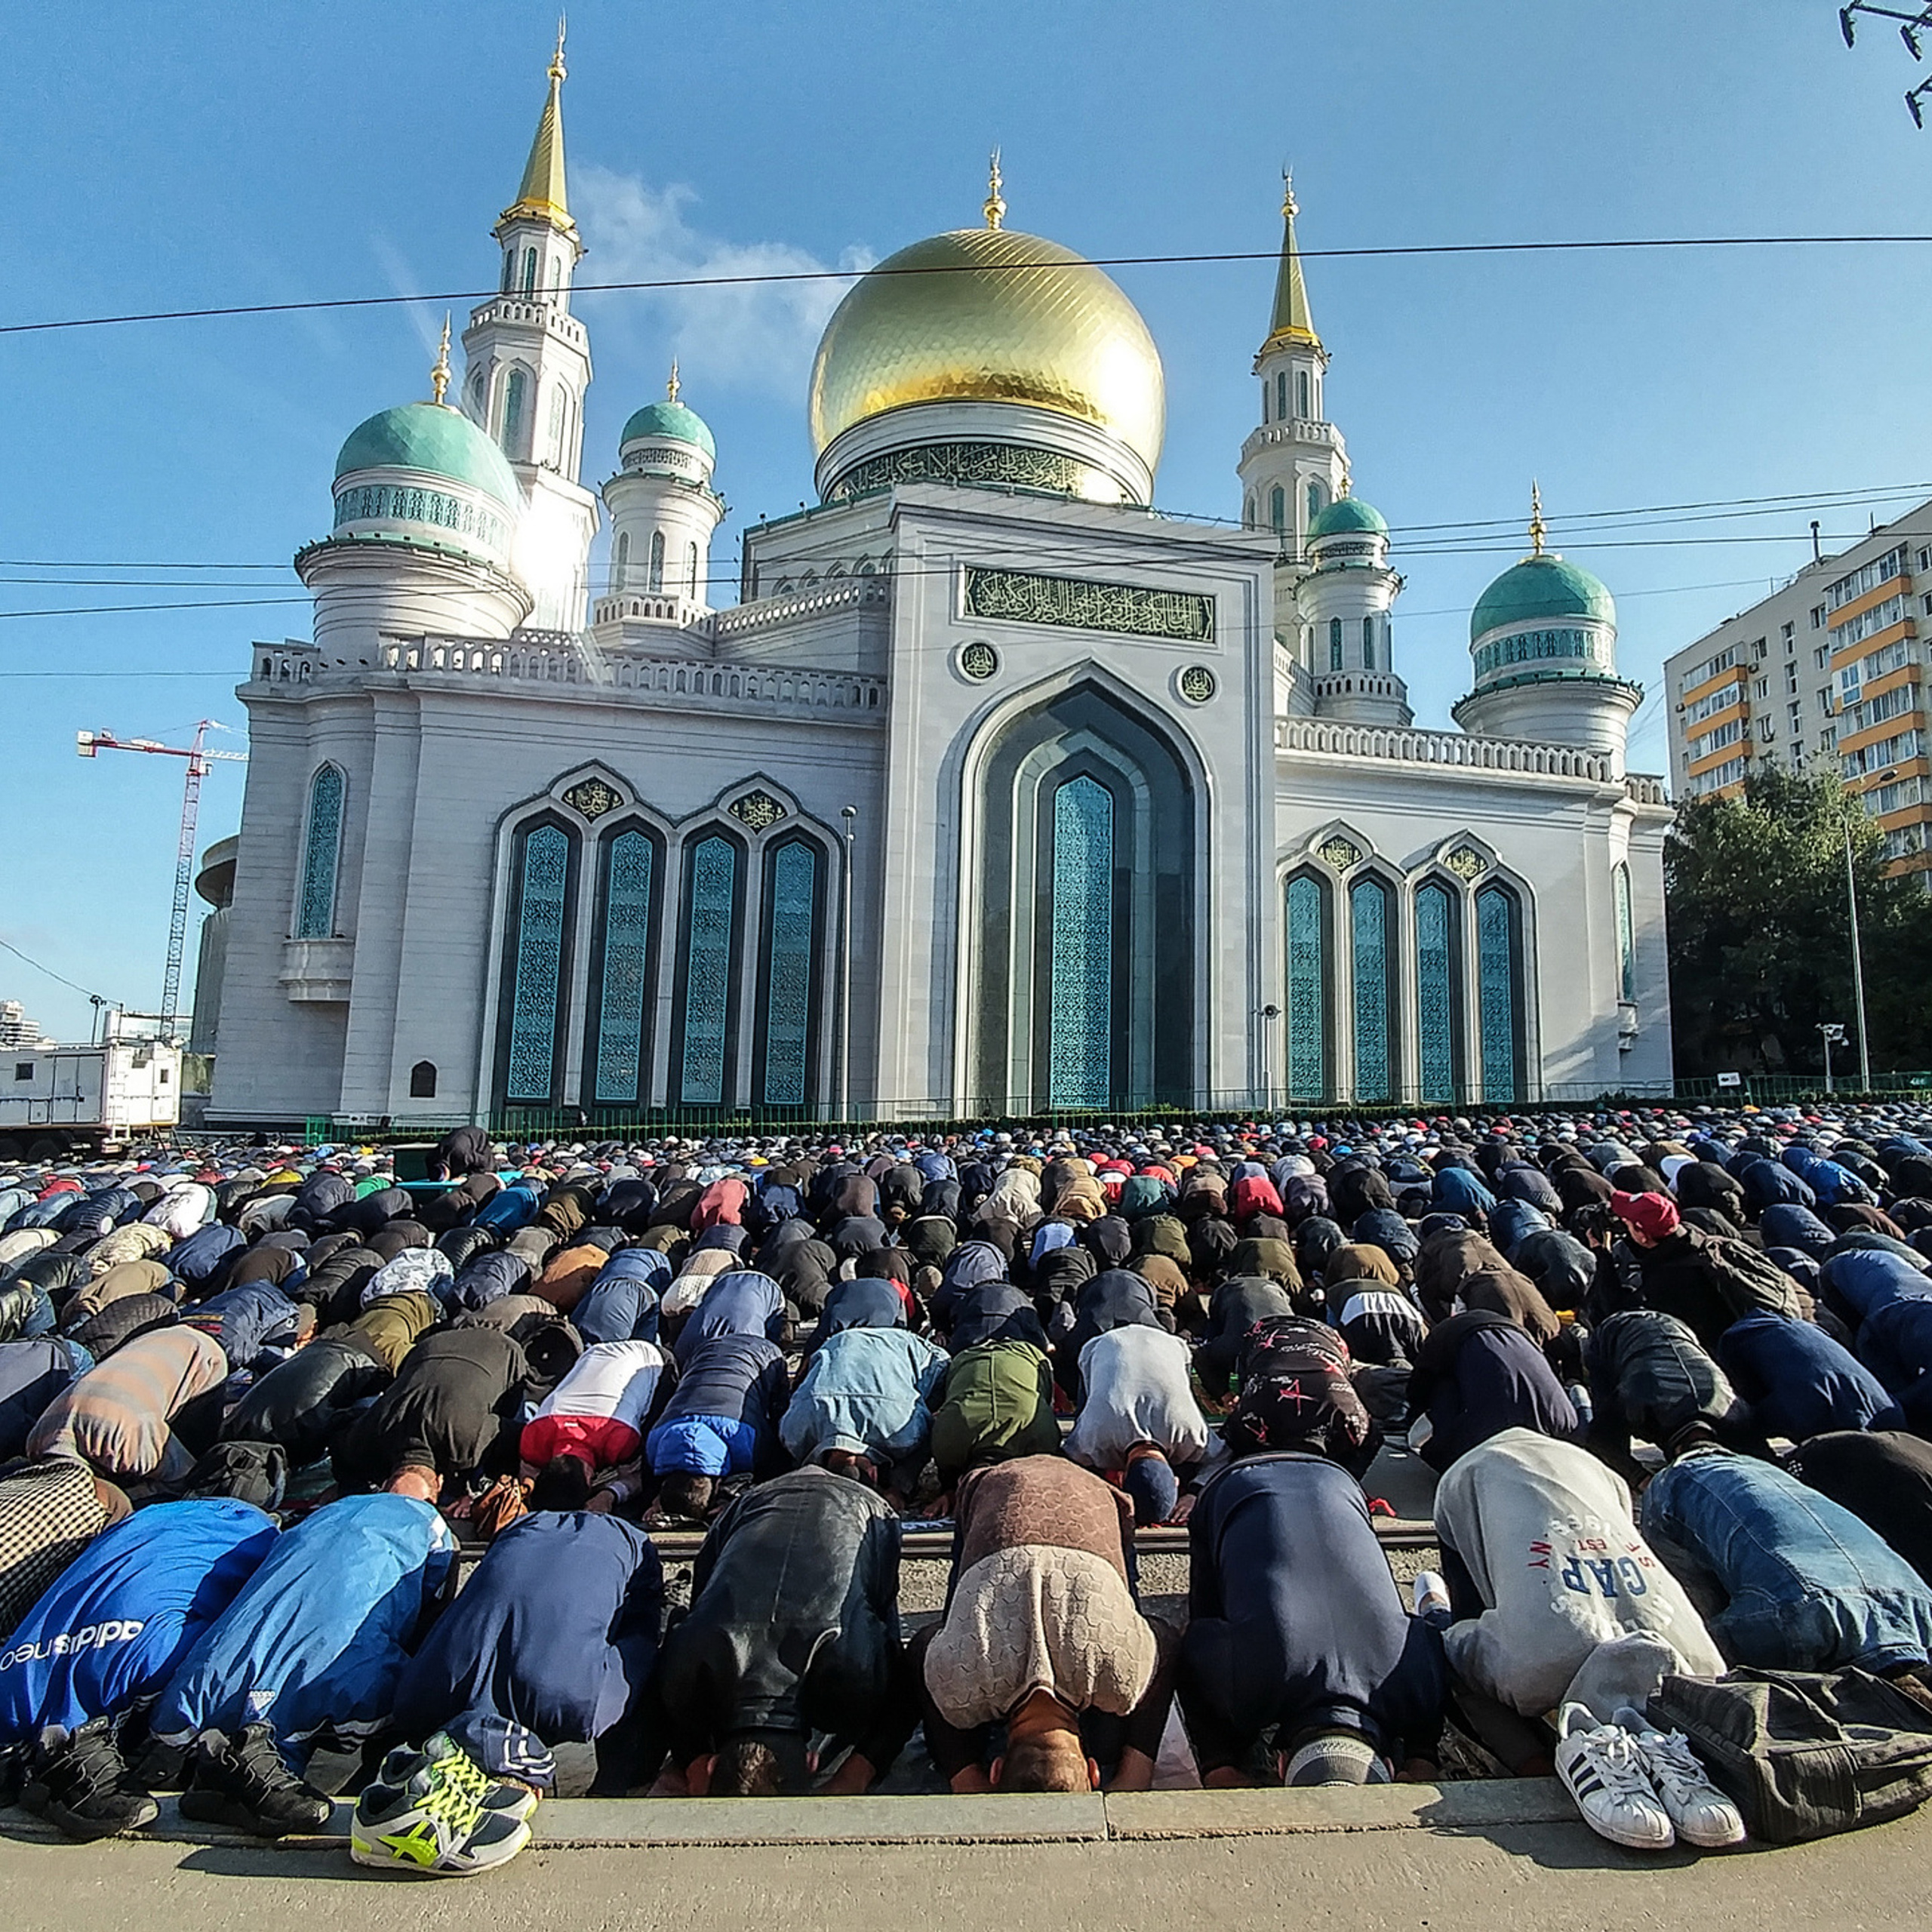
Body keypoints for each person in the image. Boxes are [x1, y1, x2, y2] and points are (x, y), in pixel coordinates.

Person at [148, 1493, 457, 1836]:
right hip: (331, 1680)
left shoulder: (324, 1513)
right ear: (436, 1484)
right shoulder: (430, 1523)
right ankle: (268, 1770)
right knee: (403, 1706)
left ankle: (225, 1769)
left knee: (265, 1693)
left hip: (214, 1674)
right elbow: (433, 1609)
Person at [375, 1509, 664, 1872]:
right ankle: (614, 1789)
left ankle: (613, 1790)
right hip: (540, 1530)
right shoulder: (415, 1702)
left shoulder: (581, 1705)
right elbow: (641, 1644)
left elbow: (636, 1655)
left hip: (597, 1538)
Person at [1, 1499, 278, 1839]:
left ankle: (55, 1758)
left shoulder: (150, 1518)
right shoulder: (260, 1536)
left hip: (25, 1667)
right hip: (133, 1660)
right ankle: (67, 1762)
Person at [1177, 1447, 1446, 1789]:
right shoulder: (1247, 1684)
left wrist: (1424, 1756)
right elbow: (1192, 1645)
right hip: (1232, 1490)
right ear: (1282, 1762)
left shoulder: (1417, 1685)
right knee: (1208, 1613)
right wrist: (1219, 1765)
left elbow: (1431, 1644)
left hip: (1336, 1483)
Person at [1430, 1429, 1724, 1728]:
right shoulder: (1703, 1670)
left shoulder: (1704, 1668)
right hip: (1570, 1462)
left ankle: (1435, 1605)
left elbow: (1457, 1649)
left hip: (1531, 1467)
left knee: (1443, 1641)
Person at [915, 1456, 1174, 1793]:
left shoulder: (1120, 1675)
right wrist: (964, 1777)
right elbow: (922, 1645)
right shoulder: (962, 1682)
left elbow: (1164, 1639)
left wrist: (1135, 1771)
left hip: (1082, 1497)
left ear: (1095, 1773)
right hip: (1006, 1493)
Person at [652, 1466, 914, 1796]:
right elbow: (906, 1692)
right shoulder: (685, 1671)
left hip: (855, 1508)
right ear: (811, 1762)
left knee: (872, 1619)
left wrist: (856, 1773)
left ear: (810, 1761)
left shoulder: (854, 1673)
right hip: (763, 1504)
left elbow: (906, 1686)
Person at [1641, 1443, 1932, 1674]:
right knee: (1694, 1643)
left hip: (1805, 1595)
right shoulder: (1924, 1607)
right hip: (1679, 1486)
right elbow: (1699, 1650)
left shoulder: (1925, 1605)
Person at [333, 1326, 528, 1500]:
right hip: (431, 1346)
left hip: (501, 1351)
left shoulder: (468, 1441)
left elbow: (521, 1437)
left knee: (502, 1431)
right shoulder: (368, 1438)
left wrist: (481, 1494)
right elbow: (339, 1441)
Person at [25, 1326, 228, 1485]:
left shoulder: (126, 1441)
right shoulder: (35, 1438)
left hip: (205, 1356)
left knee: (186, 1472)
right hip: (165, 1352)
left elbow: (182, 1476)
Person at [1063, 1324, 1216, 1526]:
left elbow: (1221, 1457)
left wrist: (1194, 1493)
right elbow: (1070, 1459)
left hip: (1165, 1345)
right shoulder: (1093, 1437)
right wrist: (1197, 1491)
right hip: (1102, 1346)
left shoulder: (1190, 1429)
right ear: (1176, 1480)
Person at [779, 1325, 949, 1501]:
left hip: (913, 1349)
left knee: (933, 1402)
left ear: (873, 1474)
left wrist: (900, 1487)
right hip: (840, 1341)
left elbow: (929, 1432)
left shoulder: (898, 1433)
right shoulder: (794, 1434)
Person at [1405, 1309, 1579, 1472]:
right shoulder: (1564, 1422)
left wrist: (1417, 1422)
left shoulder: (1444, 1337)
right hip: (1557, 1422)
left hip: (1497, 1425)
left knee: (1444, 1392)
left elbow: (1422, 1382)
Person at [644, 1333, 789, 1521]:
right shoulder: (655, 1444)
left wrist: (733, 1499)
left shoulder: (747, 1445)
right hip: (706, 1352)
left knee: (779, 1418)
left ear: (719, 1483)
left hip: (765, 1356)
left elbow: (776, 1468)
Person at [518, 1339, 675, 1511]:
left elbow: (635, 1481)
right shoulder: (533, 1437)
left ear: (589, 1477)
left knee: (649, 1472)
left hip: (651, 1360)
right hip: (596, 1354)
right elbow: (528, 1476)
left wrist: (608, 1496)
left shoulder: (620, 1439)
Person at [927, 1335, 1060, 1491]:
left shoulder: (1041, 1437)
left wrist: (949, 1491)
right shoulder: (947, 1441)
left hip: (983, 1357)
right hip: (999, 1356)